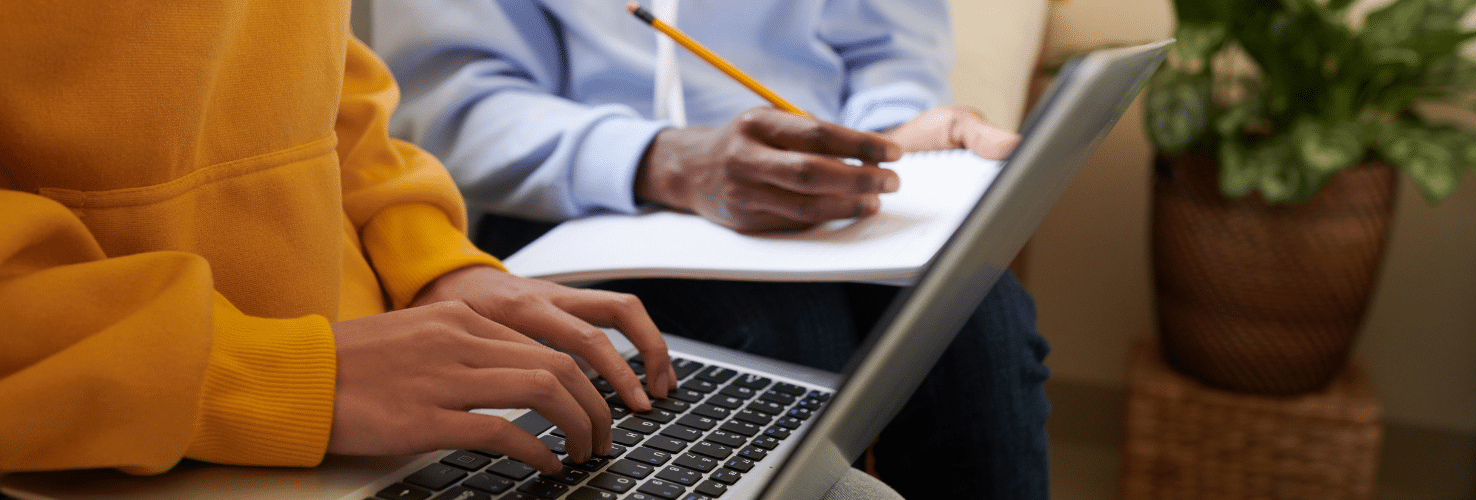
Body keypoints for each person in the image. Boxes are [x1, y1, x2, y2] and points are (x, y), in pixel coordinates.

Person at [0, 2, 900, 498]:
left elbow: (330, 95)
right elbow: (460, 98)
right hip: (115, 431)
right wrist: (276, 377)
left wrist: (433, 263)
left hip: (367, 398)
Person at [372, 0, 1053, 498]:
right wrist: (662, 160)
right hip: (579, 199)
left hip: (816, 191)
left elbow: (888, 55)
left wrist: (887, 139)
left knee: (978, 311)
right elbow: (452, 104)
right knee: (785, 332)